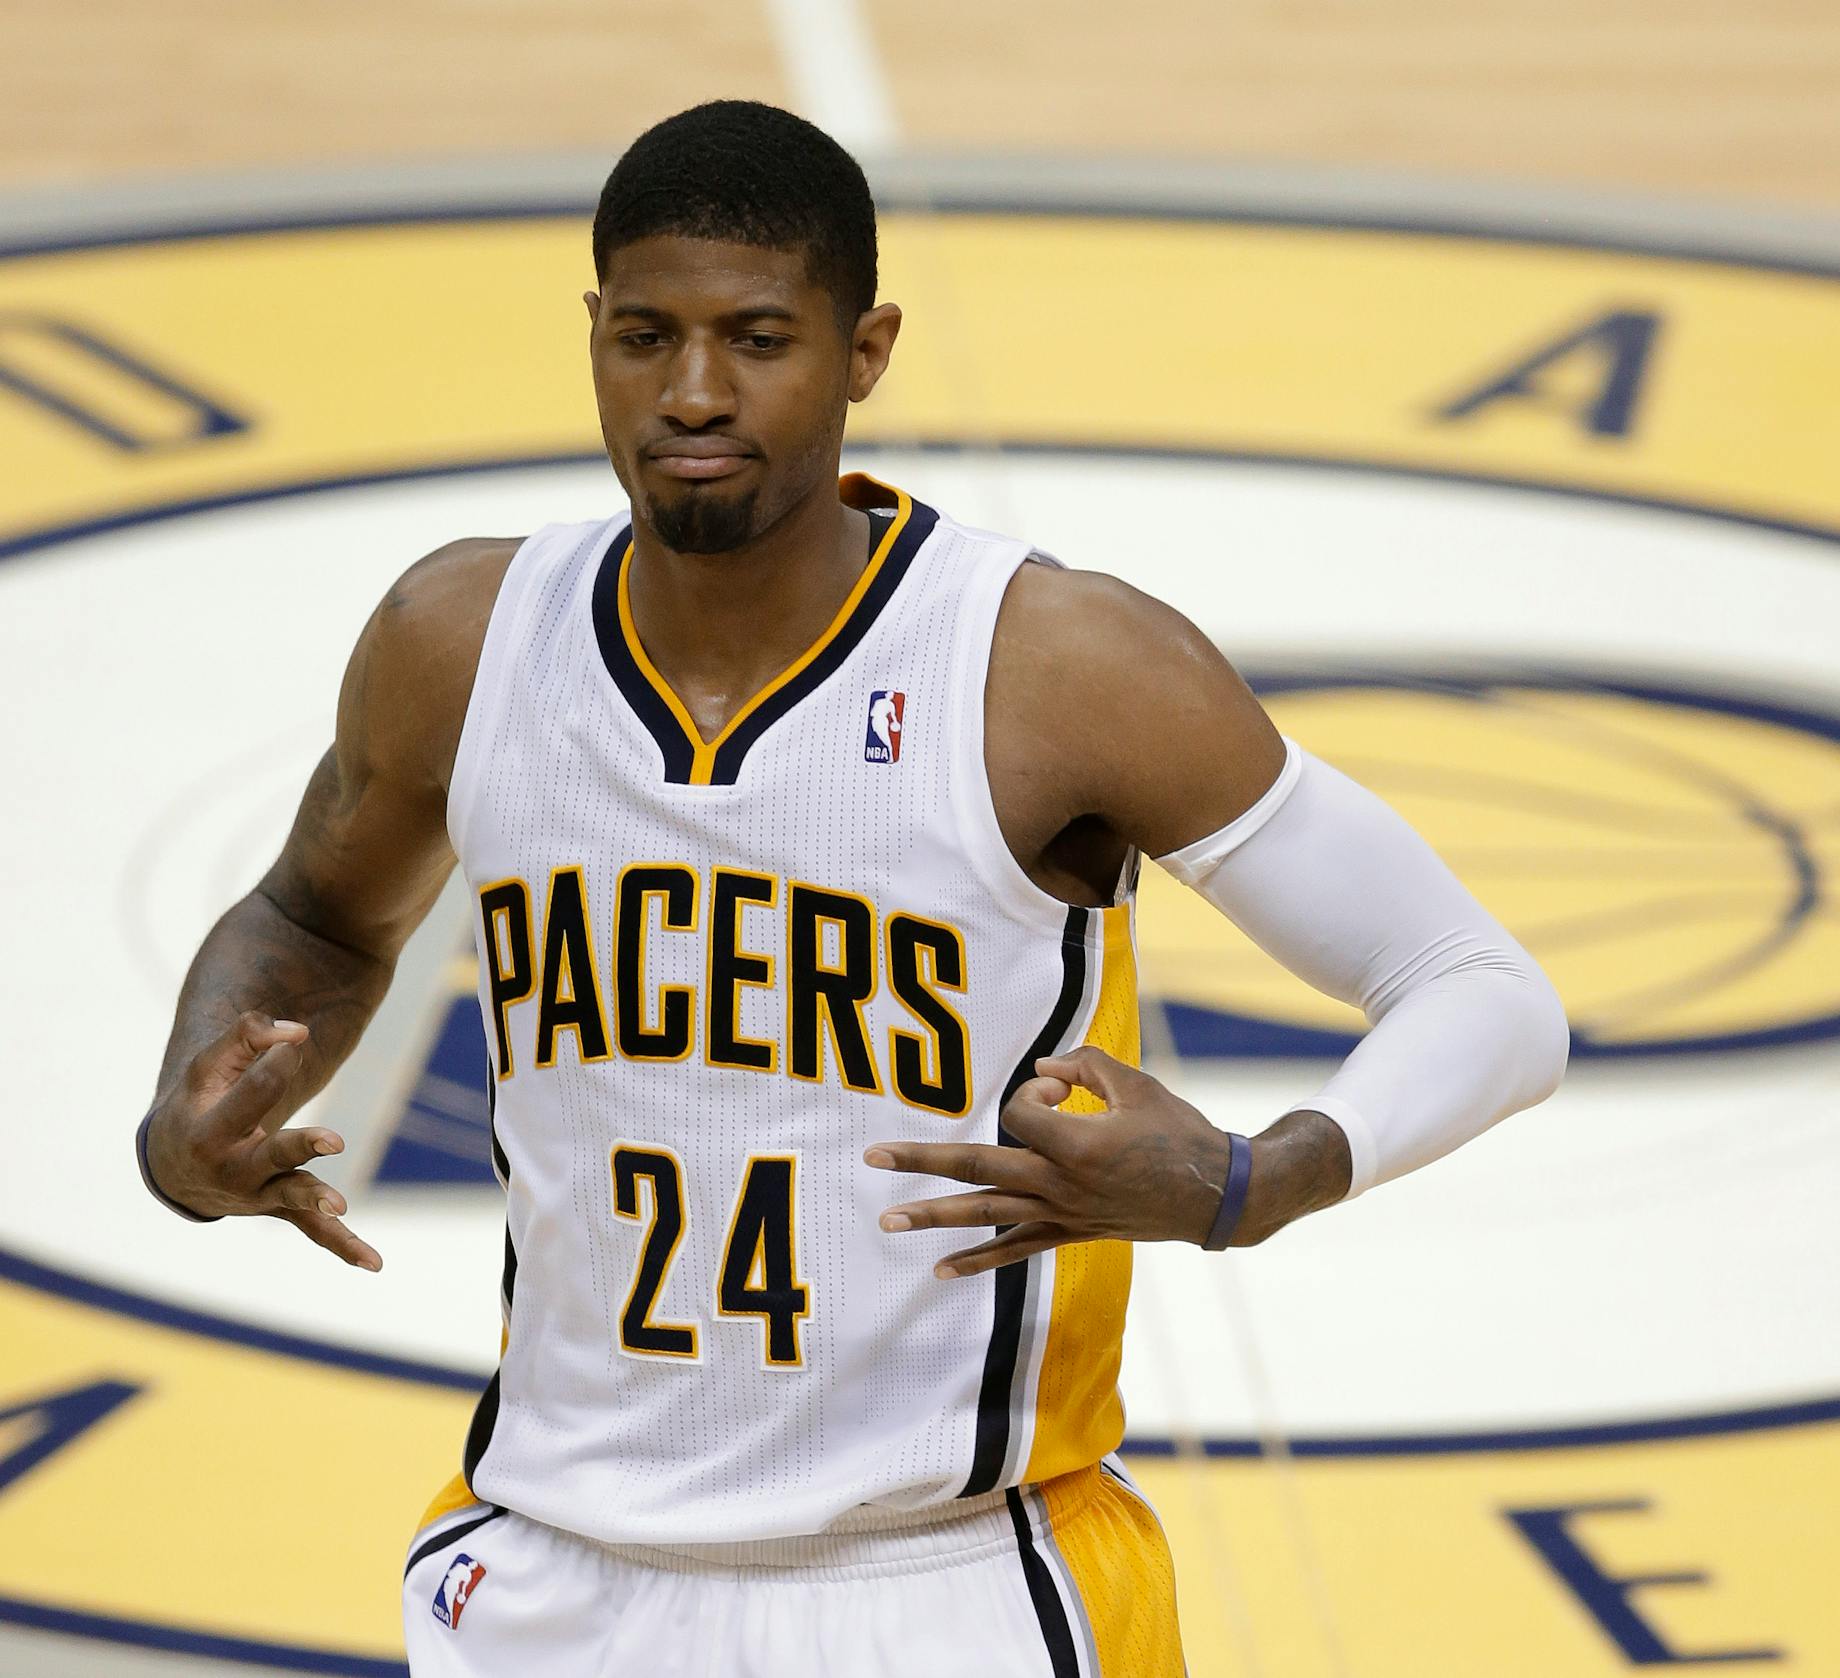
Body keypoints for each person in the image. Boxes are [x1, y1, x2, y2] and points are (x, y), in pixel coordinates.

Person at [134, 99, 1569, 1677]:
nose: (693, 392)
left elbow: (1482, 989)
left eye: (758, 340)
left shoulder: (1056, 666)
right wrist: (192, 1113)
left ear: (865, 350)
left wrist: (1253, 1179)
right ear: (593, 333)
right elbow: (315, 918)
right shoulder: (460, 640)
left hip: (947, 1582)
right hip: (553, 1573)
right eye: (645, 337)